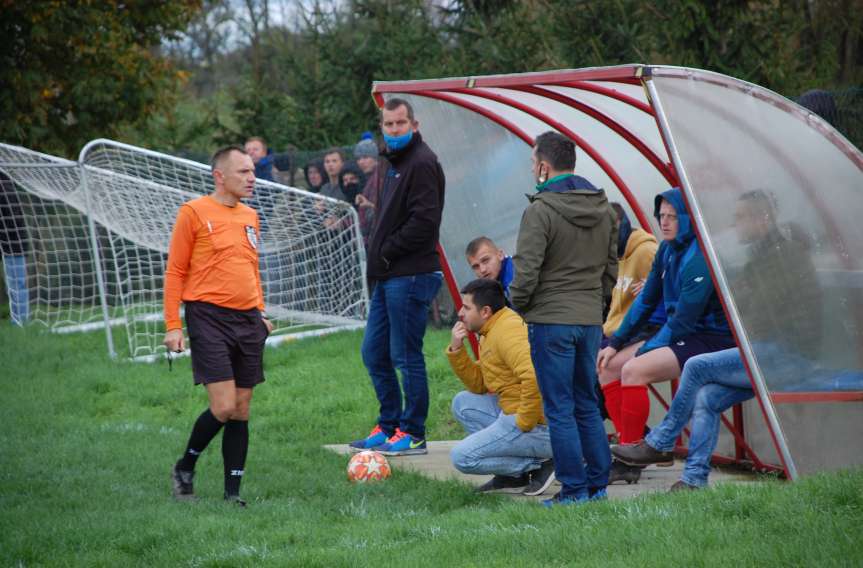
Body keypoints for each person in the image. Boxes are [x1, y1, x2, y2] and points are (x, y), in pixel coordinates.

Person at [612, 189, 821, 490]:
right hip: (763, 352)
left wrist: (741, 297)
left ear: (763, 219)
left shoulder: (782, 255)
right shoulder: (759, 255)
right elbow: (746, 305)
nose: (735, 226)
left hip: (788, 356)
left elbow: (761, 316)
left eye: (741, 218)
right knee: (706, 397)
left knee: (696, 367)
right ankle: (694, 480)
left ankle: (660, 441)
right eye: (662, 216)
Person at [596, 187, 735, 484]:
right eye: (661, 216)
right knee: (607, 367)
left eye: (673, 216)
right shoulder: (667, 250)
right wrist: (617, 342)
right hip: (682, 333)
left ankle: (634, 459)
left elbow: (684, 320)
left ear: (688, 217)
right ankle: (629, 448)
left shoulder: (699, 255)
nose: (665, 222)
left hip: (711, 339)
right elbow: (645, 301)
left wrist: (646, 350)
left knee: (633, 369)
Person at [510, 131, 618, 506]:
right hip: (588, 320)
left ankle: (573, 491)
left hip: (551, 320)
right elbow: (610, 268)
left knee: (559, 408)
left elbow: (526, 272)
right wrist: (596, 309)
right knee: (586, 403)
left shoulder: (540, 209)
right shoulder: (605, 209)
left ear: (543, 166)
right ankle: (597, 485)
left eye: (532, 163)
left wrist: (520, 306)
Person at [164, 145, 273, 507]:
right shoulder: (193, 212)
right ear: (219, 176)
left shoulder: (251, 216)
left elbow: (251, 268)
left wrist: (259, 311)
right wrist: (172, 325)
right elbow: (176, 271)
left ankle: (232, 496)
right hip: (207, 317)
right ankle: (185, 466)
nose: (251, 178)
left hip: (247, 320)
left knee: (242, 408)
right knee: (224, 406)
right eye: (243, 172)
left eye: (253, 171)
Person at [349, 98, 445, 456]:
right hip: (389, 276)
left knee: (405, 356)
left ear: (414, 125)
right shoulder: (392, 163)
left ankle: (414, 432)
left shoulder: (422, 163)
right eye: (388, 125)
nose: (393, 130)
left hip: (411, 274)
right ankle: (388, 425)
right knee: (374, 353)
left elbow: (424, 224)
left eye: (400, 124)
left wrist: (386, 250)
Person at [447, 279, 555, 496]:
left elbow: (534, 376)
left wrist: (524, 421)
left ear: (485, 311)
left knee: (462, 457)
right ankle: (513, 473)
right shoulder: (491, 328)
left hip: (537, 424)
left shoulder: (507, 330)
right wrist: (457, 349)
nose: (460, 313)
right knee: (463, 403)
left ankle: (540, 465)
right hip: (513, 409)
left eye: (467, 307)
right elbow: (479, 384)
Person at [599, 204, 665, 440]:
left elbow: (667, 290)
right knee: (586, 372)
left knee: (607, 369)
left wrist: (656, 288)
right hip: (624, 330)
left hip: (651, 329)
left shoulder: (646, 250)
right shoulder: (617, 255)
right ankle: (632, 439)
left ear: (619, 224)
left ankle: (631, 444)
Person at [0, 173, 29, 325]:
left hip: (13, 241)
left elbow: (14, 218)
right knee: (18, 284)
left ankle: (20, 322)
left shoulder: (6, 185)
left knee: (17, 284)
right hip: (13, 241)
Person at [464, 236, 515, 303]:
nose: (482, 270)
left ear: (500, 255)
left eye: (485, 260)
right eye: (476, 266)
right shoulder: (494, 283)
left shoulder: (515, 275)